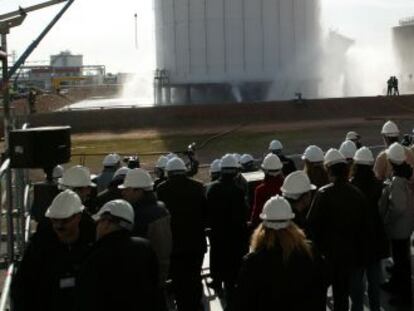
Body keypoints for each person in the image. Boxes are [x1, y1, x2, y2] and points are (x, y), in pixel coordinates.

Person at [235, 195, 326, 311]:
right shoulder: (310, 252)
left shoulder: (253, 262)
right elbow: (323, 283)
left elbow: (241, 302)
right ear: (291, 224)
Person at [307, 148, 370, 311]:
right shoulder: (357, 194)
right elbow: (364, 226)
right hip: (353, 254)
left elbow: (312, 224)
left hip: (330, 255)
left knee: (333, 295)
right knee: (351, 295)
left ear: (329, 171)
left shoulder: (323, 193)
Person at [11, 190, 95, 311]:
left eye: (65, 221)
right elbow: (22, 286)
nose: (59, 226)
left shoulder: (94, 243)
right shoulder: (39, 246)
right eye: (54, 220)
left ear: (78, 217)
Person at [76, 199, 164, 311]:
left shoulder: (96, 256)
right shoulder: (145, 248)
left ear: (107, 223)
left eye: (99, 222)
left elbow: (87, 299)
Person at [156, 157, 207, 311]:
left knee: (179, 279)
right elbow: (205, 213)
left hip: (175, 243)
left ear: (169, 173)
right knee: (195, 277)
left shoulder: (162, 189)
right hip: (196, 242)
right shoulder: (198, 187)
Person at [206, 154, 249, 309]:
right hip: (235, 240)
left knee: (220, 270)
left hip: (218, 238)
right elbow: (243, 216)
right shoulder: (238, 191)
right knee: (232, 280)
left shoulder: (211, 189)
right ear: (235, 171)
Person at [349, 147, 389, 311]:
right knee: (375, 282)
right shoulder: (378, 185)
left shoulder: (350, 187)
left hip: (356, 242)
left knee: (357, 284)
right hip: (375, 239)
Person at [119, 168, 172, 284]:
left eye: (127, 189)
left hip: (144, 277)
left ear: (139, 191)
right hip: (159, 273)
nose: (123, 193)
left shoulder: (137, 216)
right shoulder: (161, 208)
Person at [379, 143, 414, 306]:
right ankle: (398, 287)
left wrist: (388, 220)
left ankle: (404, 297)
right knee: (401, 261)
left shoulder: (398, 180)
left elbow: (398, 207)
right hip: (406, 226)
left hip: (400, 228)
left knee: (401, 263)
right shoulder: (405, 174)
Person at [250, 153, 284, 228]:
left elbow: (257, 212)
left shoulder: (260, 190)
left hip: (266, 228)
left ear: (265, 171)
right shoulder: (286, 186)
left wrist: (252, 225)